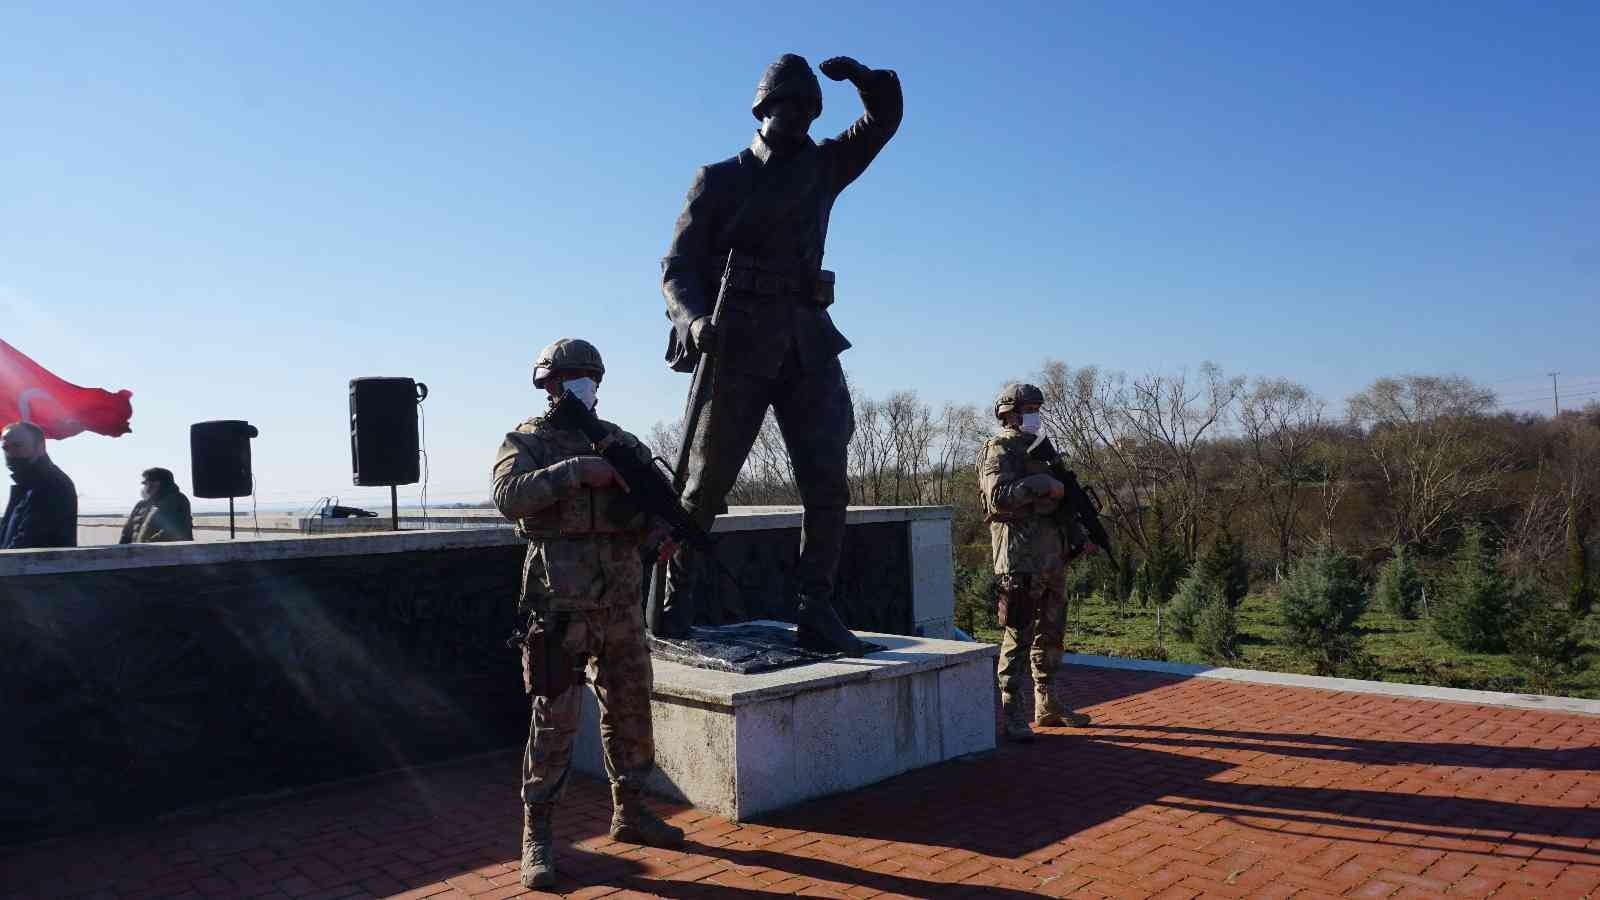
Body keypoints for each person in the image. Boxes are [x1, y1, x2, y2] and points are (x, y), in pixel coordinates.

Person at [652, 52, 903, 653]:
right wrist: (694, 320)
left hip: (808, 341)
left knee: (827, 483)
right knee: (706, 485)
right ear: (762, 109)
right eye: (787, 105)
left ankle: (815, 607)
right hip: (734, 342)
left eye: (809, 108)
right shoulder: (719, 177)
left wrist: (867, 84)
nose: (799, 117)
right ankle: (673, 603)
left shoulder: (823, 166)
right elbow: (677, 266)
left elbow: (882, 122)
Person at [492, 338, 684, 889]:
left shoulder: (621, 442)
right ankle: (539, 836)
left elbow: (648, 505)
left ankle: (632, 812)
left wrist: (661, 533)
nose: (580, 384)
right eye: (570, 375)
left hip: (621, 604)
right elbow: (507, 496)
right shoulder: (526, 441)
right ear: (548, 383)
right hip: (559, 606)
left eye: (588, 375)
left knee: (631, 710)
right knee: (553, 722)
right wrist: (574, 470)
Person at [976, 384, 1093, 742]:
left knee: (1052, 633)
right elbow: (997, 498)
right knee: (1018, 633)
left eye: (1037, 407)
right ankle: (1013, 715)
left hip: (1052, 556)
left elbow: (1063, 502)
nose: (1035, 414)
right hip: (1019, 559)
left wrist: (1079, 534)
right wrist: (1040, 484)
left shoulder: (1041, 449)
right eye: (1029, 407)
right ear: (1008, 412)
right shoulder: (998, 449)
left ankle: (1048, 704)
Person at [1, 421, 77, 550]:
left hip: (41, 568)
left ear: (40, 447)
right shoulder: (27, 484)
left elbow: (27, 543)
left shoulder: (51, 485)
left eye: (17, 445)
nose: (10, 452)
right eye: (5, 448)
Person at [119, 467, 194, 543]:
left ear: (157, 483)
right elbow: (127, 533)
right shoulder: (141, 505)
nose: (144, 487)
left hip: (166, 553)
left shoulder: (177, 500)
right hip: (138, 553)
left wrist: (146, 548)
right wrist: (121, 551)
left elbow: (175, 531)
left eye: (145, 483)